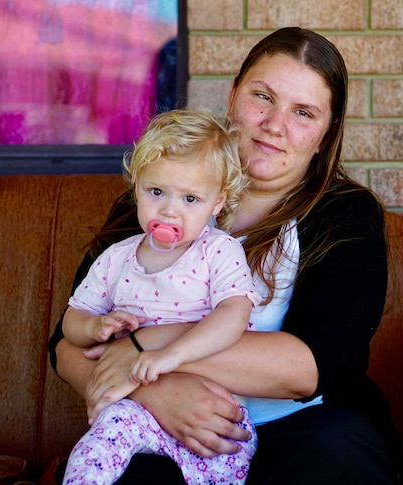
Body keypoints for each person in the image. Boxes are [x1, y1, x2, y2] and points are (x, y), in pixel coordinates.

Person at [49, 27, 403, 484]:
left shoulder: (345, 215)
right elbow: (66, 342)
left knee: (333, 456)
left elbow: (311, 366)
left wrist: (146, 354)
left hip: (303, 430)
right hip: (167, 425)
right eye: (263, 97)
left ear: (325, 134)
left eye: (303, 112)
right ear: (233, 95)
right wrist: (153, 394)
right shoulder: (159, 202)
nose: (275, 125)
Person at [61, 109, 262, 484]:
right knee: (99, 447)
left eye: (190, 198)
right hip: (135, 413)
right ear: (135, 187)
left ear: (217, 203)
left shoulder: (218, 251)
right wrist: (96, 325)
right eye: (156, 192)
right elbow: (71, 323)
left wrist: (171, 356)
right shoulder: (117, 258)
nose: (169, 209)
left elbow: (234, 314)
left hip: (215, 413)